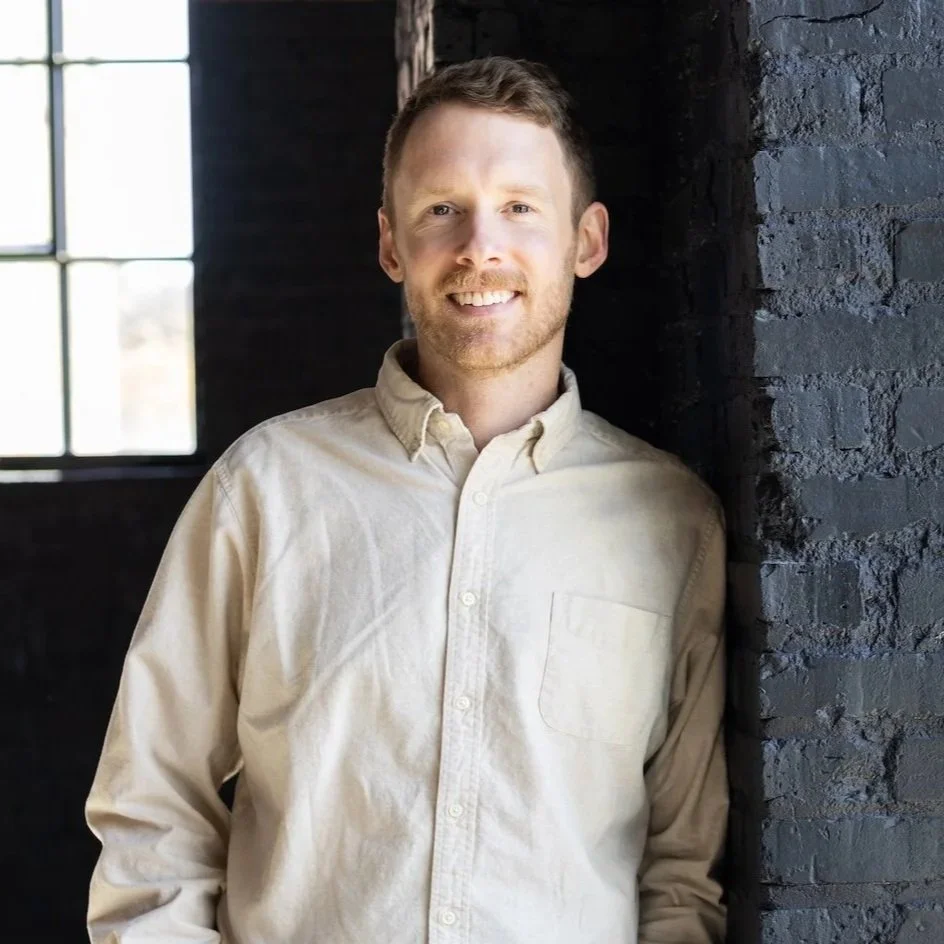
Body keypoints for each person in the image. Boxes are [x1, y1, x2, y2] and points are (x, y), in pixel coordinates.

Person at [86, 56, 728, 944]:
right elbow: (152, 816)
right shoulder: (264, 490)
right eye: (441, 210)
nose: (480, 247)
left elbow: (680, 874)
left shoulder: (674, 523)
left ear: (587, 239)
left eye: (519, 208)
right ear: (392, 243)